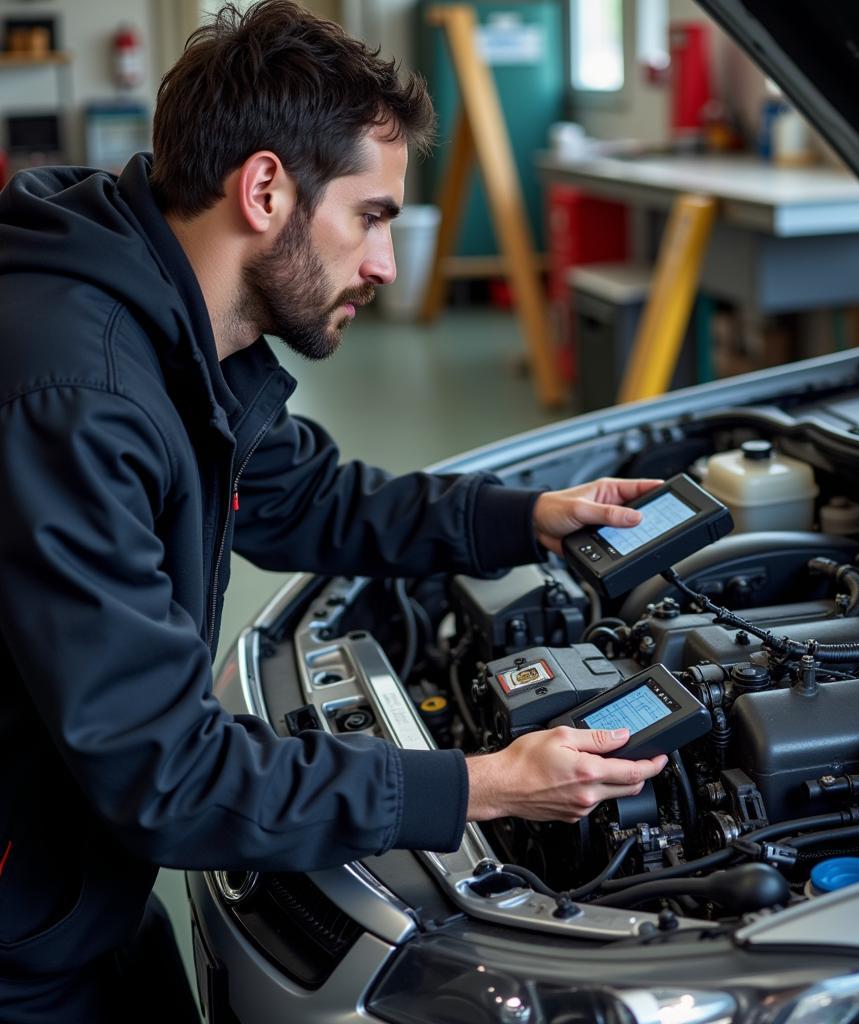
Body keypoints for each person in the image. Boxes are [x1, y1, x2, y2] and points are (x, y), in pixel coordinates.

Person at [0, 2, 666, 1019]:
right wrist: (475, 786)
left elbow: (313, 494)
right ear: (266, 189)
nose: (385, 265)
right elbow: (169, 775)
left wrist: (527, 514)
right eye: (372, 216)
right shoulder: (78, 394)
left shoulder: (166, 324)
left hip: (73, 883)